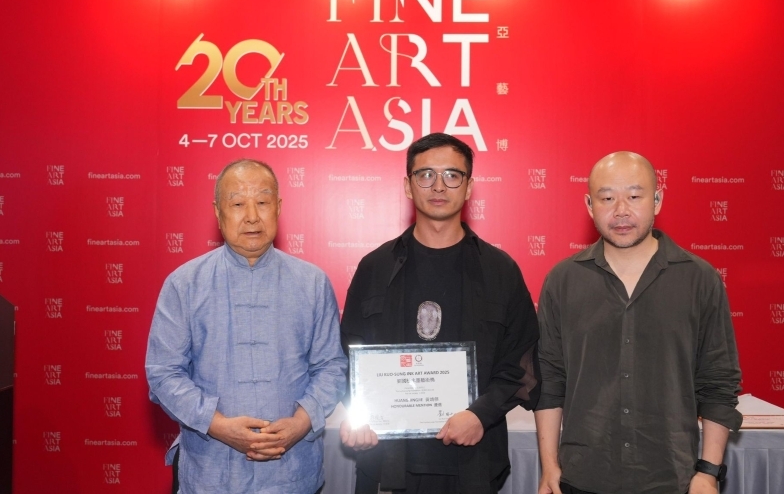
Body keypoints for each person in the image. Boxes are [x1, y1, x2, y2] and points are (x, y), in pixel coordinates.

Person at [340, 134, 540, 494]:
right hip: (386, 463)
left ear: (469, 187)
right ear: (408, 185)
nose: (438, 186)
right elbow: (347, 355)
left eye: (452, 175)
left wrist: (480, 415)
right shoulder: (374, 268)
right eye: (425, 175)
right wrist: (360, 414)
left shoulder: (500, 270)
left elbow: (520, 362)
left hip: (472, 462)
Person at [535, 152, 742, 494]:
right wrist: (549, 466)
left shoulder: (699, 279)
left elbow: (718, 380)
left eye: (634, 196)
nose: (621, 210)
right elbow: (549, 379)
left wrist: (708, 472)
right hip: (583, 476)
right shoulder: (563, 280)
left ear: (657, 200)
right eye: (607, 198)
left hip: (673, 478)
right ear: (589, 205)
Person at [145, 159, 347, 494]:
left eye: (263, 202)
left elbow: (332, 367)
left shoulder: (312, 282)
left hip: (293, 472)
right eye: (238, 204)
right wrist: (218, 426)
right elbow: (164, 373)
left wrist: (300, 423)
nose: (252, 216)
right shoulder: (184, 284)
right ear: (218, 212)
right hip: (211, 473)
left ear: (278, 207)